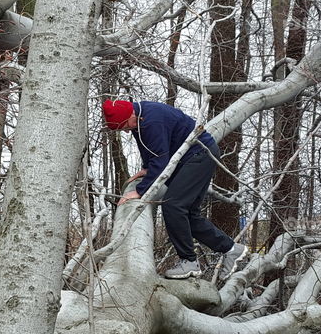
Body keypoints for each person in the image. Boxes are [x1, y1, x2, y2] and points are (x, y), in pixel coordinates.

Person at [103, 99, 248, 279]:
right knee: (188, 214)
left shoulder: (151, 121)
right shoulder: (138, 120)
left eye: (124, 126)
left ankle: (189, 261)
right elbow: (149, 148)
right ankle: (231, 249)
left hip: (199, 154)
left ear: (131, 115)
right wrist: (146, 168)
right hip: (187, 158)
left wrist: (140, 191)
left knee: (173, 205)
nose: (125, 130)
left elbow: (161, 160)